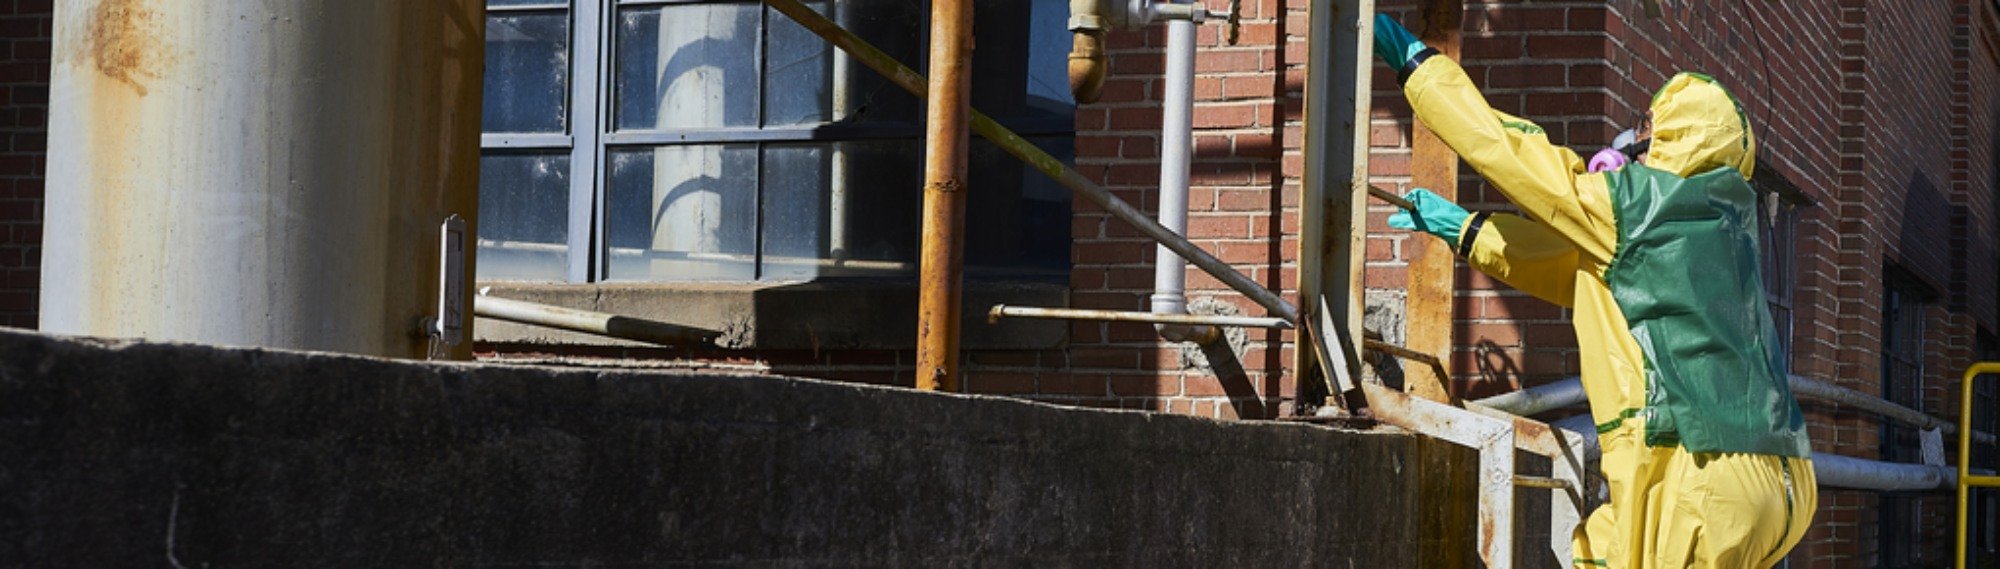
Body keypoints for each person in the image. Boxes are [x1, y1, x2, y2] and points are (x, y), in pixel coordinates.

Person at [1371, 13, 1816, 568]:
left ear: (1678, 137)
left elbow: (1509, 150)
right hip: (1784, 481)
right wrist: (1467, 230)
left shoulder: (1641, 206)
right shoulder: (1723, 231)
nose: (1635, 139)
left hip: (1695, 474)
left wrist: (1418, 65)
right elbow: (1574, 272)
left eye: (1649, 125)